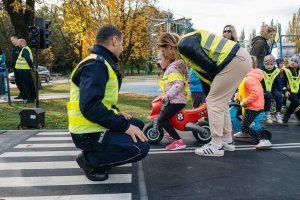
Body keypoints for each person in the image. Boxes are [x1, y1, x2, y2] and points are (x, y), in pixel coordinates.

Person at [67, 24, 150, 181]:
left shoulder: (101, 63)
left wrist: (116, 111)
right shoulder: (96, 65)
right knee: (141, 148)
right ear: (114, 40)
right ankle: (90, 161)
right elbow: (90, 106)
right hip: (87, 132)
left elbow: (100, 99)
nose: (122, 49)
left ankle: (102, 155)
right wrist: (124, 126)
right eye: (122, 44)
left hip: (93, 125)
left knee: (137, 125)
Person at [178, 30, 252, 157]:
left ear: (168, 47)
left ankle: (216, 145)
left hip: (233, 59)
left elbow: (209, 66)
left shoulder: (183, 44)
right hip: (240, 59)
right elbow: (206, 77)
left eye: (164, 54)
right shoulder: (187, 47)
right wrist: (210, 97)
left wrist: (212, 101)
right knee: (220, 103)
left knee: (215, 101)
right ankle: (227, 140)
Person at [157, 33, 189, 150]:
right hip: (176, 99)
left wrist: (168, 96)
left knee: (161, 119)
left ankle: (178, 141)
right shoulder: (174, 65)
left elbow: (179, 84)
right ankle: (170, 132)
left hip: (176, 100)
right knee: (166, 116)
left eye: (162, 56)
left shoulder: (173, 67)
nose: (159, 62)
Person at [234, 68, 272, 149]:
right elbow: (243, 91)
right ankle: (245, 132)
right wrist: (237, 96)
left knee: (244, 126)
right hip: (250, 106)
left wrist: (244, 101)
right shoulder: (246, 78)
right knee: (239, 116)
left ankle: (263, 139)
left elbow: (255, 93)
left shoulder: (250, 79)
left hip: (254, 108)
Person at [261, 55, 283, 124]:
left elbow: (279, 82)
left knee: (279, 95)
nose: (269, 66)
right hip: (264, 89)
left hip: (273, 89)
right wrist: (261, 90)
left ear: (274, 64)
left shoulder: (276, 71)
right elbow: (260, 81)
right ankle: (267, 114)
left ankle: (278, 114)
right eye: (267, 64)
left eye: (271, 64)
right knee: (268, 95)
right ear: (264, 64)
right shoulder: (261, 70)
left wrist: (282, 91)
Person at [15, 39, 36, 103]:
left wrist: (32, 66)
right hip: (25, 70)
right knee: (29, 84)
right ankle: (32, 98)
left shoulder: (25, 50)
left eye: (18, 43)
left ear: (21, 43)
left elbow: (28, 59)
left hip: (23, 71)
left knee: (25, 85)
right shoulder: (26, 49)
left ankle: (28, 99)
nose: (18, 45)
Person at [282, 54, 300, 123]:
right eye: (291, 60)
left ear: (298, 63)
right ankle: (287, 115)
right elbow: (282, 83)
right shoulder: (285, 70)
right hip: (289, 91)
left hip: (297, 90)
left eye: (295, 61)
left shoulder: (299, 71)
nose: (292, 62)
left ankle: (298, 113)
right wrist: (285, 91)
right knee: (296, 102)